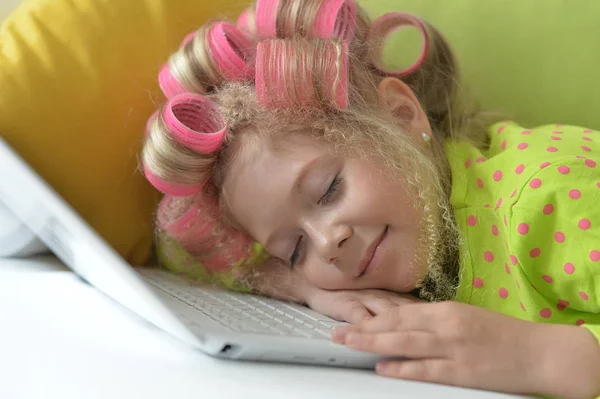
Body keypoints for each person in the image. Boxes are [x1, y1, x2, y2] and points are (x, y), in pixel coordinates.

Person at [140, 0, 600, 397]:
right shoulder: (415, 227)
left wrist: (541, 358)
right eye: (293, 249)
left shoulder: (547, 200)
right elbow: (188, 258)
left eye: (328, 190)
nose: (326, 244)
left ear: (401, 116)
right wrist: (305, 288)